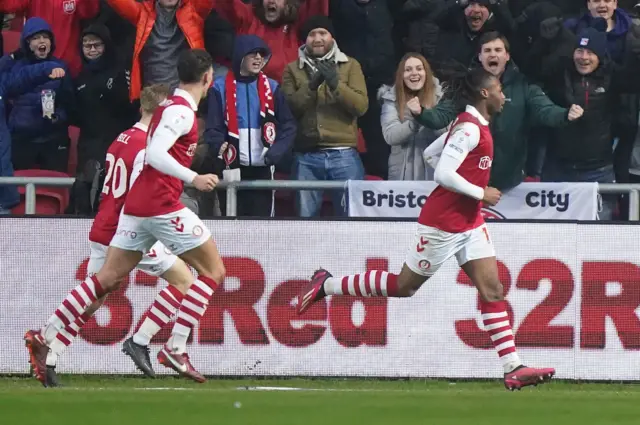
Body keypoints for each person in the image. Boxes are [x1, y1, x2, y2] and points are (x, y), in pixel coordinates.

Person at [296, 68, 556, 391]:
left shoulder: (470, 125)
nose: (505, 95)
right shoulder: (471, 129)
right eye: (500, 89)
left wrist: (470, 193)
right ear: (485, 94)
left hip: (469, 221)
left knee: (493, 290)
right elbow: (443, 173)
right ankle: (327, 285)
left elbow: (434, 154)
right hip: (443, 223)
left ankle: (512, 367)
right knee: (404, 286)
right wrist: (480, 192)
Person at [24, 49, 224, 384]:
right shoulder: (181, 114)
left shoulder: (159, 113)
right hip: (157, 206)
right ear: (207, 78)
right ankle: (174, 347)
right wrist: (194, 178)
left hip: (129, 213)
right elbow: (156, 155)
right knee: (212, 271)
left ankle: (47, 337)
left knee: (105, 282)